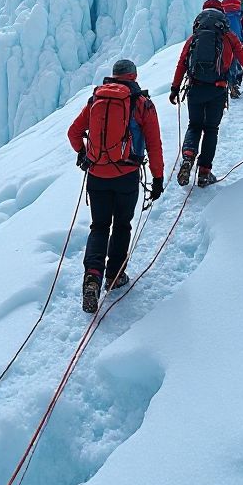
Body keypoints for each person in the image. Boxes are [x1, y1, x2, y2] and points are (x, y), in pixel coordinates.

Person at [68, 58, 165, 314]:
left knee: (99, 226)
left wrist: (82, 153)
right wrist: (157, 178)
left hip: (97, 175)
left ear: (113, 76)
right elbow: (154, 144)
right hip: (127, 175)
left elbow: (73, 133)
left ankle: (92, 276)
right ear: (133, 77)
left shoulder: (95, 100)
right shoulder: (142, 104)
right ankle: (115, 276)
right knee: (122, 225)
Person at [169, 0, 243, 188]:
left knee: (194, 126)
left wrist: (175, 88)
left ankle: (188, 157)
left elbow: (182, 62)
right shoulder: (227, 35)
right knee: (211, 130)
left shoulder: (195, 37)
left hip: (195, 88)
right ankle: (204, 173)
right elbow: (242, 56)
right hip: (217, 89)